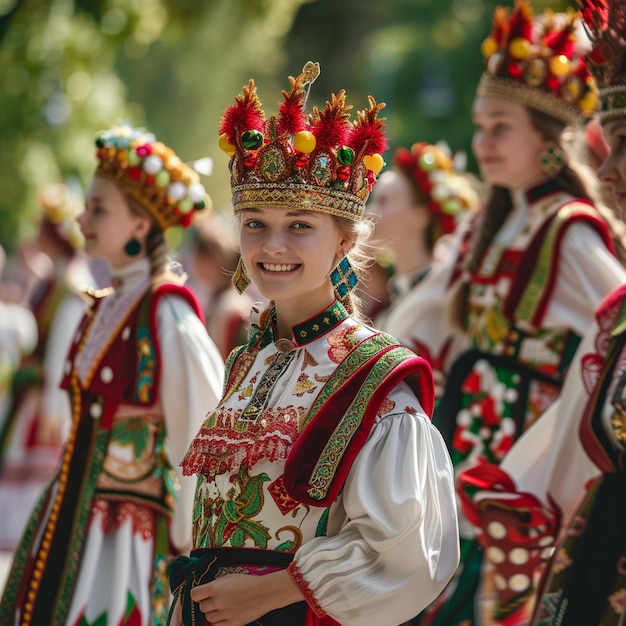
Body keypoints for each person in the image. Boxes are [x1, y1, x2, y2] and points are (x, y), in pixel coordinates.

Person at [167, 62, 460, 626]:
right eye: (254, 223)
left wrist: (273, 592)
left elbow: (410, 552)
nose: (272, 244)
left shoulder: (373, 374)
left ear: (344, 240)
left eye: (299, 225)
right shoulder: (247, 360)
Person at [408, 2, 626, 624]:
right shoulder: (493, 223)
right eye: (478, 127)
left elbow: (613, 334)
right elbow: (420, 316)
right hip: (470, 440)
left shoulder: (568, 232)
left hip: (523, 455)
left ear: (547, 140)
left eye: (500, 127)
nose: (482, 143)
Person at [0, 125, 225, 625]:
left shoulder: (167, 314)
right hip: (69, 509)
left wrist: (188, 544)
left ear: (142, 225)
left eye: (98, 209)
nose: (82, 218)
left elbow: (202, 436)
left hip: (123, 532)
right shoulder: (105, 304)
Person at [0, 184, 95, 551]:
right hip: (35, 397)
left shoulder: (71, 285)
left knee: (37, 477)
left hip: (46, 402)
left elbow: (62, 354)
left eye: (43, 227)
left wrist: (56, 409)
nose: (37, 233)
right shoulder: (57, 278)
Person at [367, 141, 479, 392]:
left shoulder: (445, 292)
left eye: (383, 201)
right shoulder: (400, 292)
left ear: (421, 215)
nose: (370, 211)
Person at [183, 212, 255, 359]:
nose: (194, 260)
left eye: (199, 253)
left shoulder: (233, 308)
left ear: (213, 260)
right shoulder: (219, 301)